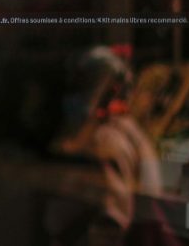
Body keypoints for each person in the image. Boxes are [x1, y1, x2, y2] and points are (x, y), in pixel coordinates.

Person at [46, 46, 166, 246]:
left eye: (88, 82)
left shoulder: (108, 139)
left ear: (111, 89)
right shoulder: (115, 133)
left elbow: (111, 218)